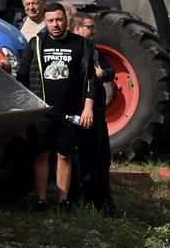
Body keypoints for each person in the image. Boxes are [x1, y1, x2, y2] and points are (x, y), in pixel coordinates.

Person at [16, 2, 97, 211]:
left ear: (66, 20)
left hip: (70, 112)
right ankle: (41, 199)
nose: (55, 24)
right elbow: (22, 77)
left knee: (64, 155)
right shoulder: (36, 43)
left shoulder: (81, 44)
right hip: (42, 111)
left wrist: (88, 107)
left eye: (59, 20)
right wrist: (25, 110)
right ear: (45, 21)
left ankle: (63, 200)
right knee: (41, 154)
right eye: (50, 20)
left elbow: (90, 78)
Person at [71, 12, 115, 215]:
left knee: (102, 156)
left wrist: (103, 73)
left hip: (97, 111)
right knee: (85, 157)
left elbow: (110, 70)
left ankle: (102, 200)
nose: (94, 32)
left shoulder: (94, 51)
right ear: (77, 29)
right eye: (90, 27)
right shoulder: (75, 51)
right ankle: (86, 198)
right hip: (81, 111)